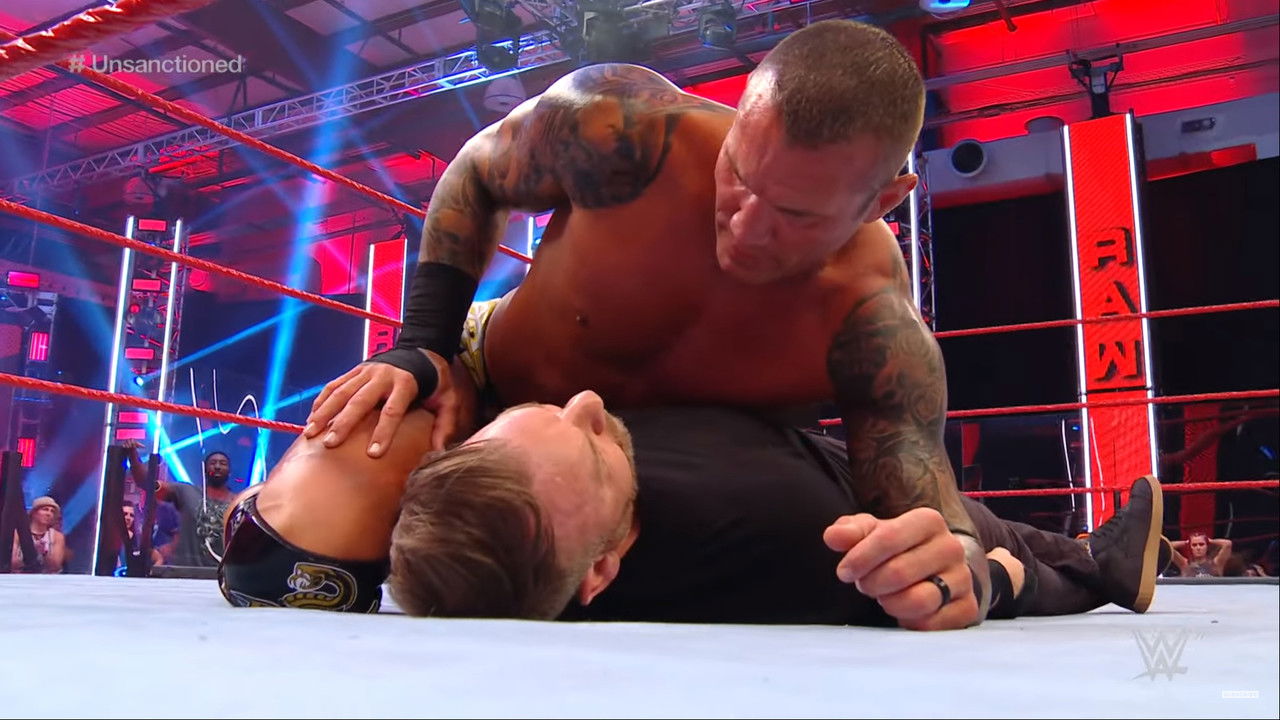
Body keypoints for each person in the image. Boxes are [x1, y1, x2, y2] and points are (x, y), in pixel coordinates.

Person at [306, 20, 994, 628]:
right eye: (740, 174)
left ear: (882, 201)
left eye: (796, 214)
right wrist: (423, 346)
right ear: (741, 114)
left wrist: (956, 565)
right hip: (493, 382)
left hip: (656, 481)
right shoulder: (624, 129)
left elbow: (922, 506)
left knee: (812, 538)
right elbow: (477, 173)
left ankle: (1020, 564)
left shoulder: (868, 322)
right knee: (303, 532)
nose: (746, 226)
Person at [221, 384, 1172, 628]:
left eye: (539, 414)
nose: (586, 401)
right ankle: (1099, 567)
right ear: (603, 568)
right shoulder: (781, 543)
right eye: (592, 444)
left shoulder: (531, 524)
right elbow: (923, 584)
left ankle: (1085, 545)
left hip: (799, 448)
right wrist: (987, 582)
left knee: (1007, 530)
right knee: (1000, 549)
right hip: (852, 480)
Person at [162, 450, 237, 567]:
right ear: (205, 470)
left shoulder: (237, 502)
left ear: (229, 471)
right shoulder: (187, 492)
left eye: (222, 463)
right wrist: (134, 456)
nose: (217, 466)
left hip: (222, 572)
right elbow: (148, 484)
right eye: (213, 463)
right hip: (186, 570)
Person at [9, 496, 66, 574]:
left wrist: (44, 553)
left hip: (47, 579)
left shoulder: (57, 536)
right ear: (34, 513)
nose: (49, 513)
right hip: (19, 578)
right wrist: (31, 552)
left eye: (52, 511)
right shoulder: (17, 533)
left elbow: (56, 566)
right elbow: (12, 563)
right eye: (45, 509)